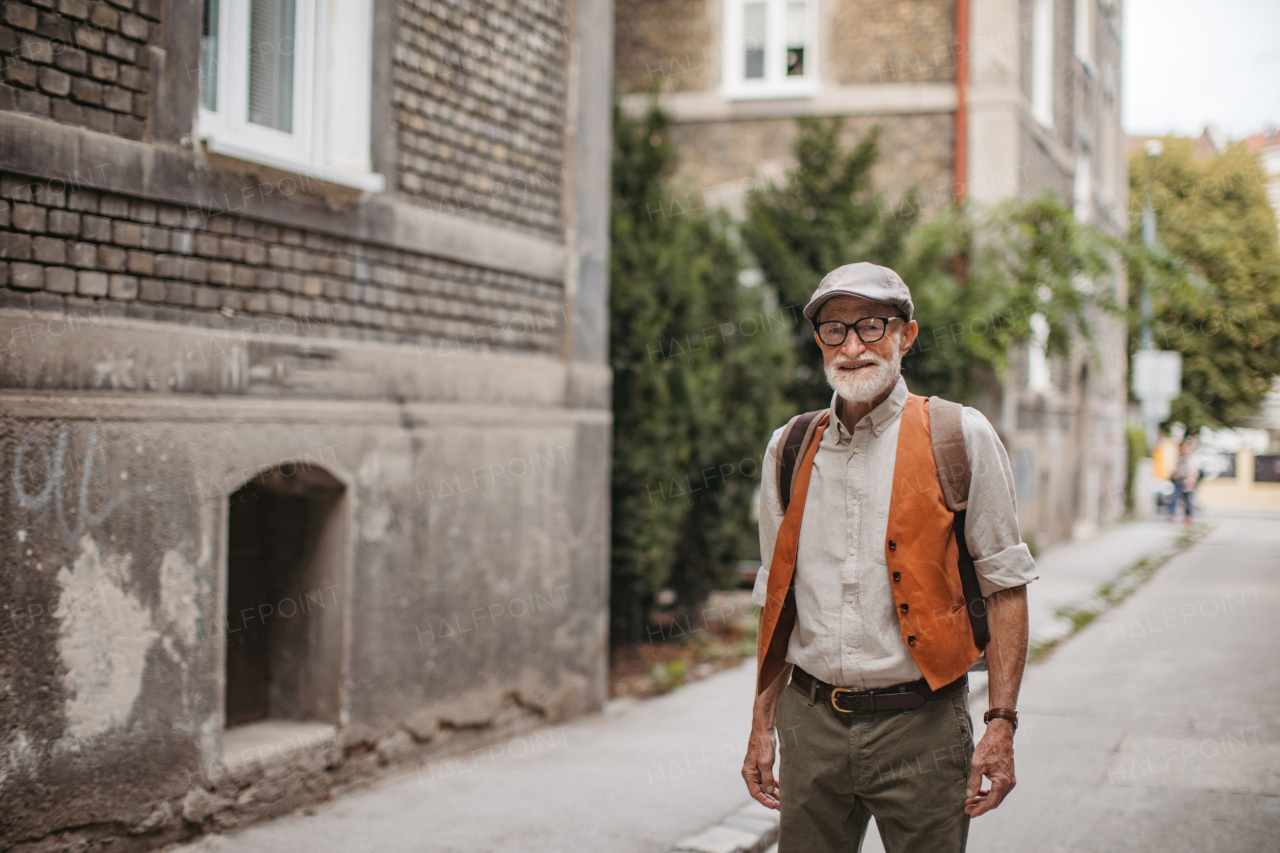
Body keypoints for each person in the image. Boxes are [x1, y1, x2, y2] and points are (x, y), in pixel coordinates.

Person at [742, 263, 1037, 852]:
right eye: (834, 330)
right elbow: (779, 603)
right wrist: (762, 723)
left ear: (907, 335)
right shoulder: (791, 447)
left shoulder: (959, 434)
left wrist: (1000, 725)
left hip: (922, 727)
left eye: (872, 326)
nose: (852, 346)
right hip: (811, 723)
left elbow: (1006, 587)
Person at [1168, 438, 1202, 524]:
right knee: (1174, 498)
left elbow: (1194, 471)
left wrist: (1191, 481)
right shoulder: (1180, 457)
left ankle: (1188, 516)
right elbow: (1177, 469)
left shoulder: (1193, 457)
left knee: (1188, 500)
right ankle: (1171, 515)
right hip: (1179, 481)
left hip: (1188, 481)